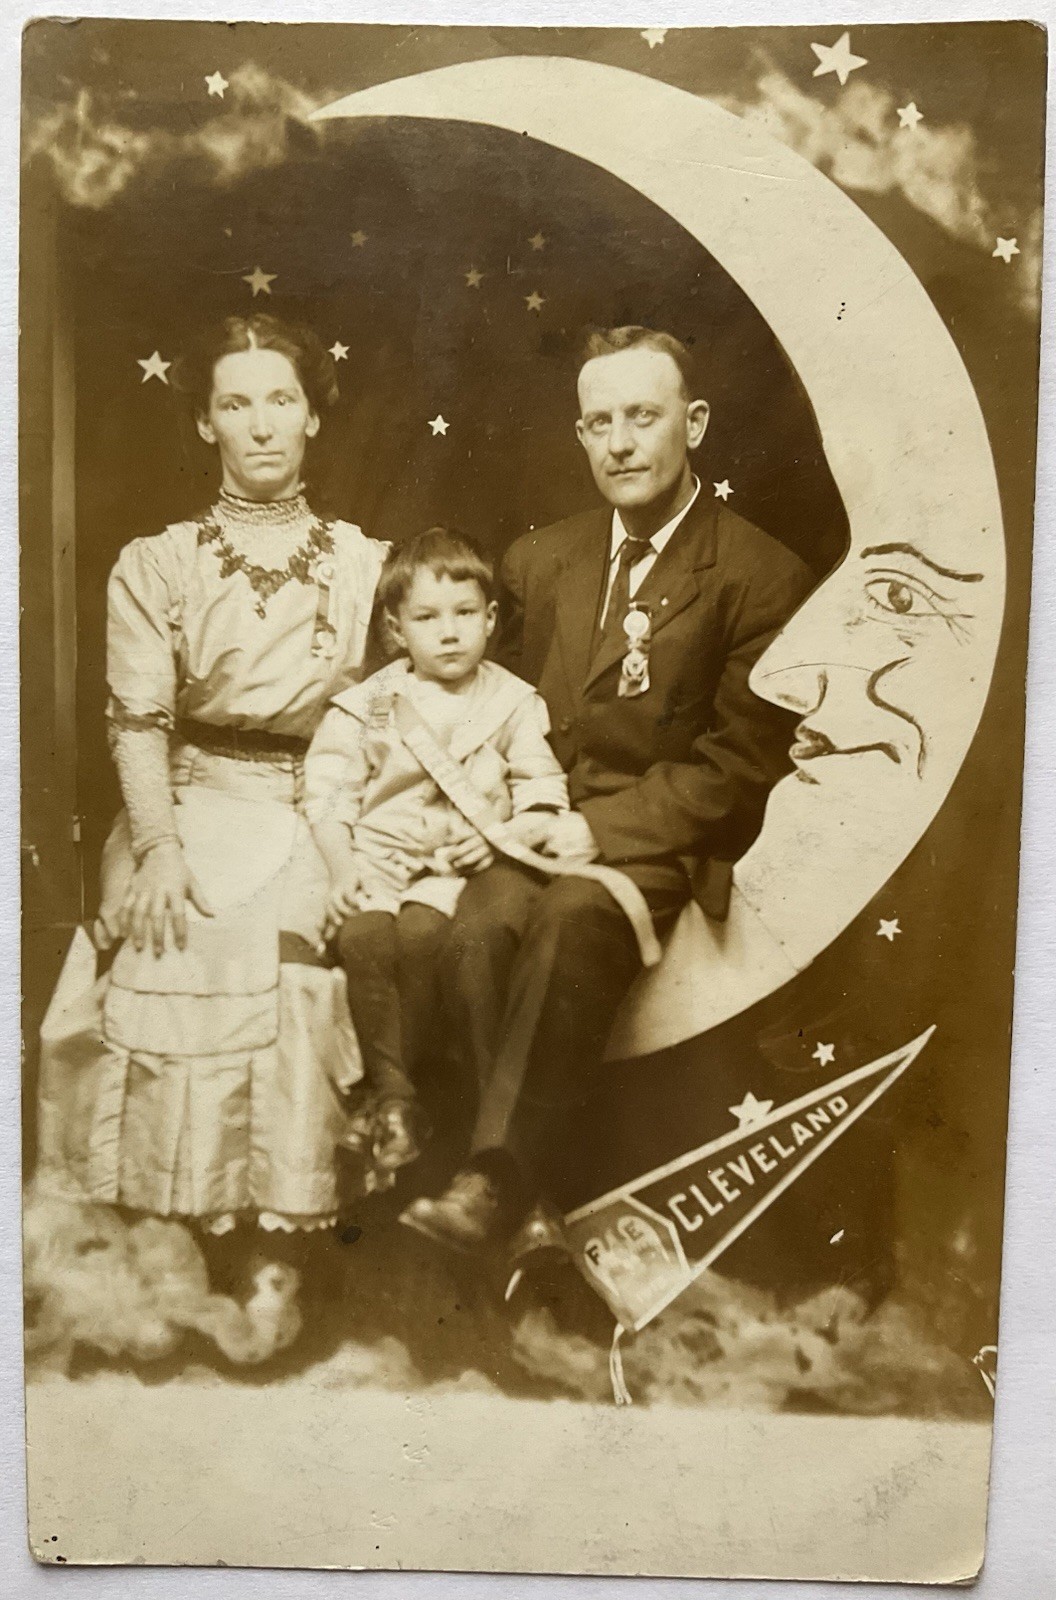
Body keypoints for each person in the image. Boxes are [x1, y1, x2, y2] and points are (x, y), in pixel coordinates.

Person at [400, 325, 816, 1254]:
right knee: (476, 928)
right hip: (532, 825)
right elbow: (487, 711)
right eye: (600, 423)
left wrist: (599, 829)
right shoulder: (540, 559)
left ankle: (493, 1181)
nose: (620, 444)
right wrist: (485, 813)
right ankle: (528, 1211)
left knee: (571, 918)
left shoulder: (760, 576)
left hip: (651, 842)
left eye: (643, 417)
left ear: (693, 424)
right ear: (581, 434)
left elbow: (740, 766)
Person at [36, 313, 389, 1255]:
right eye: (236, 405)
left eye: (281, 400)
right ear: (205, 422)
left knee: (291, 967)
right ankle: (161, 1230)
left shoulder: (367, 565)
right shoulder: (157, 563)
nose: (261, 425)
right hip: (184, 798)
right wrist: (156, 848)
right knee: (155, 938)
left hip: (313, 807)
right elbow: (138, 723)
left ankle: (281, 1240)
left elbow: (381, 726)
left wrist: (340, 836)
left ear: (313, 415)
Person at [303, 527, 572, 1180]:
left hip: (450, 869)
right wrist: (342, 872)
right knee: (363, 938)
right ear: (396, 630)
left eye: (464, 614)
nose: (449, 633)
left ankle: (400, 1096)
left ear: (491, 619)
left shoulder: (511, 703)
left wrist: (501, 835)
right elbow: (332, 796)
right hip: (375, 861)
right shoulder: (372, 705)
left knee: (423, 937)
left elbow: (543, 792)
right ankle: (394, 1096)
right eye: (427, 618)